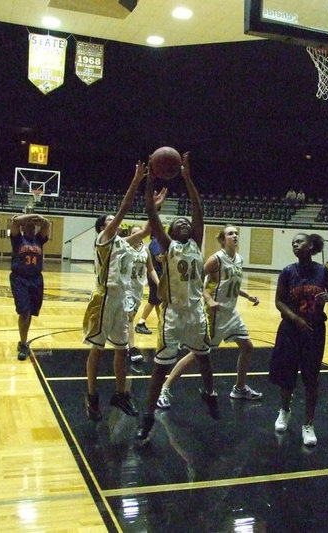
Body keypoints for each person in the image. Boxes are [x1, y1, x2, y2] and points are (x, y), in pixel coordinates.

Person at [136, 152, 215, 441]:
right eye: (178, 222)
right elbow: (150, 212)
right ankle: (147, 417)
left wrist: (187, 177)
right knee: (160, 368)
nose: (184, 222)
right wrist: (149, 182)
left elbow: (197, 208)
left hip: (195, 312)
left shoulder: (195, 242)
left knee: (204, 358)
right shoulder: (167, 246)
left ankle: (210, 393)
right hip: (172, 314)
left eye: (186, 222)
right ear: (168, 232)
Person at [83, 161, 167, 421]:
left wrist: (155, 207)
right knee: (97, 350)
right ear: (102, 228)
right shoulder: (103, 240)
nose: (115, 222)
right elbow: (123, 210)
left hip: (120, 301)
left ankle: (120, 395)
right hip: (104, 298)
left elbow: (146, 231)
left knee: (121, 349)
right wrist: (136, 182)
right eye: (109, 221)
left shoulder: (122, 242)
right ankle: (92, 396)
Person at [156, 224, 262, 410]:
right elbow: (195, 280)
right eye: (230, 234)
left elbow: (233, 285)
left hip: (231, 313)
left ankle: (240, 387)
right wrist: (208, 299)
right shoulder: (215, 260)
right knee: (197, 354)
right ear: (222, 240)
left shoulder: (239, 259)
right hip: (215, 315)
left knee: (248, 347)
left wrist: (247, 296)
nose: (235, 236)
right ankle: (165, 388)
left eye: (236, 233)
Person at [269, 233, 328, 447]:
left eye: (299, 241)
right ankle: (284, 411)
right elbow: (279, 301)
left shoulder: (323, 272)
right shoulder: (288, 272)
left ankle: (308, 424)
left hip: (315, 331)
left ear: (311, 246)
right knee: (287, 376)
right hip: (290, 330)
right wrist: (295, 319)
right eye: (293, 242)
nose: (294, 244)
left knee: (311, 379)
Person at [9, 213, 50, 360]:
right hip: (19, 279)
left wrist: (42, 220)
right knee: (24, 311)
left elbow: (47, 225)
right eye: (29, 225)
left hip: (36, 279)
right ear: (24, 226)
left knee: (30, 311)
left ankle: (24, 340)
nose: (32, 228)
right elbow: (14, 222)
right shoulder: (18, 239)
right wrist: (32, 215)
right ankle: (23, 343)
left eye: (34, 226)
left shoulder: (39, 239)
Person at [127, 225, 159, 363]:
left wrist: (159, 283)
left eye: (139, 232)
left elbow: (151, 270)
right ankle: (132, 348)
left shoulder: (145, 250)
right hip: (125, 287)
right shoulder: (125, 248)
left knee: (130, 317)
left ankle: (122, 342)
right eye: (133, 233)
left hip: (137, 289)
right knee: (129, 317)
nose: (136, 235)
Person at [135, 236, 163, 335]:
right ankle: (141, 322)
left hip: (158, 274)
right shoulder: (156, 241)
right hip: (157, 274)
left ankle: (162, 323)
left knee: (158, 301)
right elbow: (158, 258)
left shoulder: (156, 242)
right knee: (153, 301)